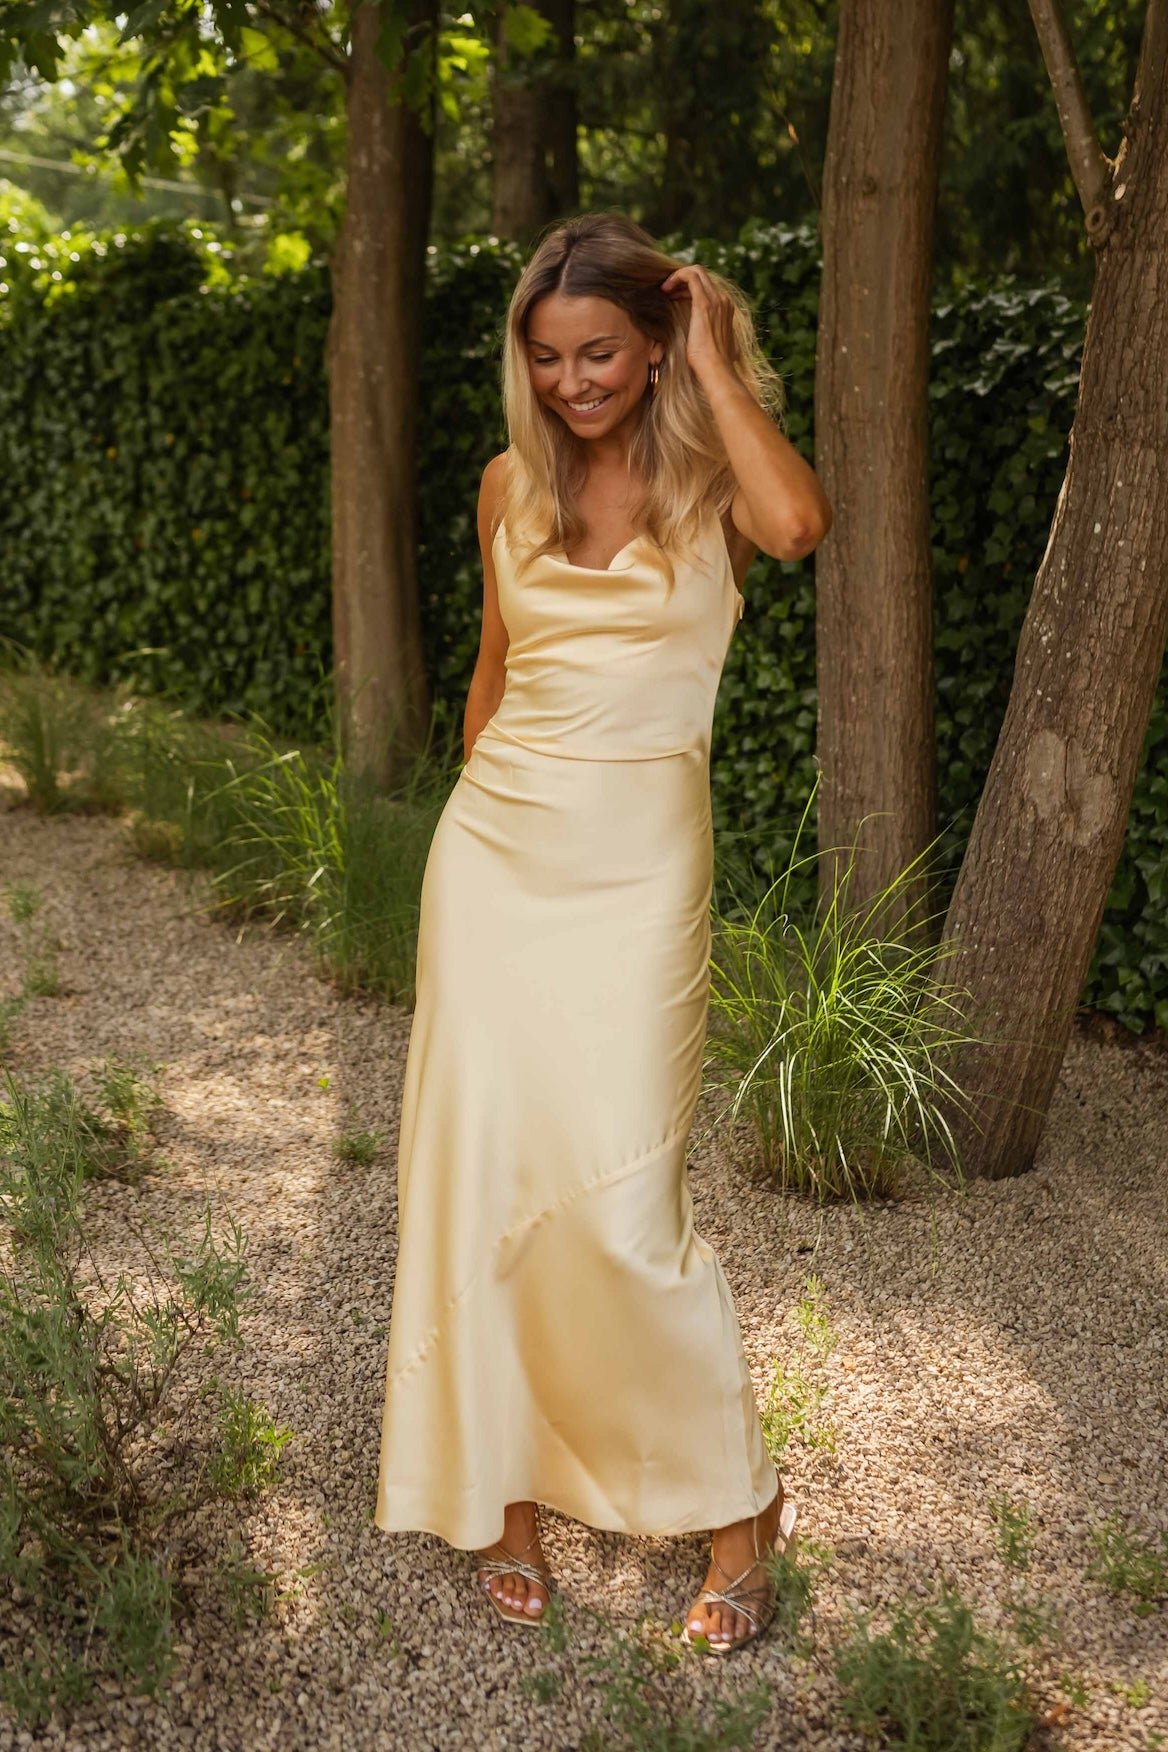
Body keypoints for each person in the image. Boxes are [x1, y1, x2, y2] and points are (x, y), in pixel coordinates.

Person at [375, 210, 832, 1655]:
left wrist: (714, 356)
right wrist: (467, 846)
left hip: (640, 875)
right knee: (484, 1182)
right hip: (495, 865)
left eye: (602, 353)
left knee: (630, 1208)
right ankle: (502, 1497)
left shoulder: (713, 486)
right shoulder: (506, 485)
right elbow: (494, 675)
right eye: (549, 355)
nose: (573, 381)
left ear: (652, 347)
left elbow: (801, 528)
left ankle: (738, 1511)